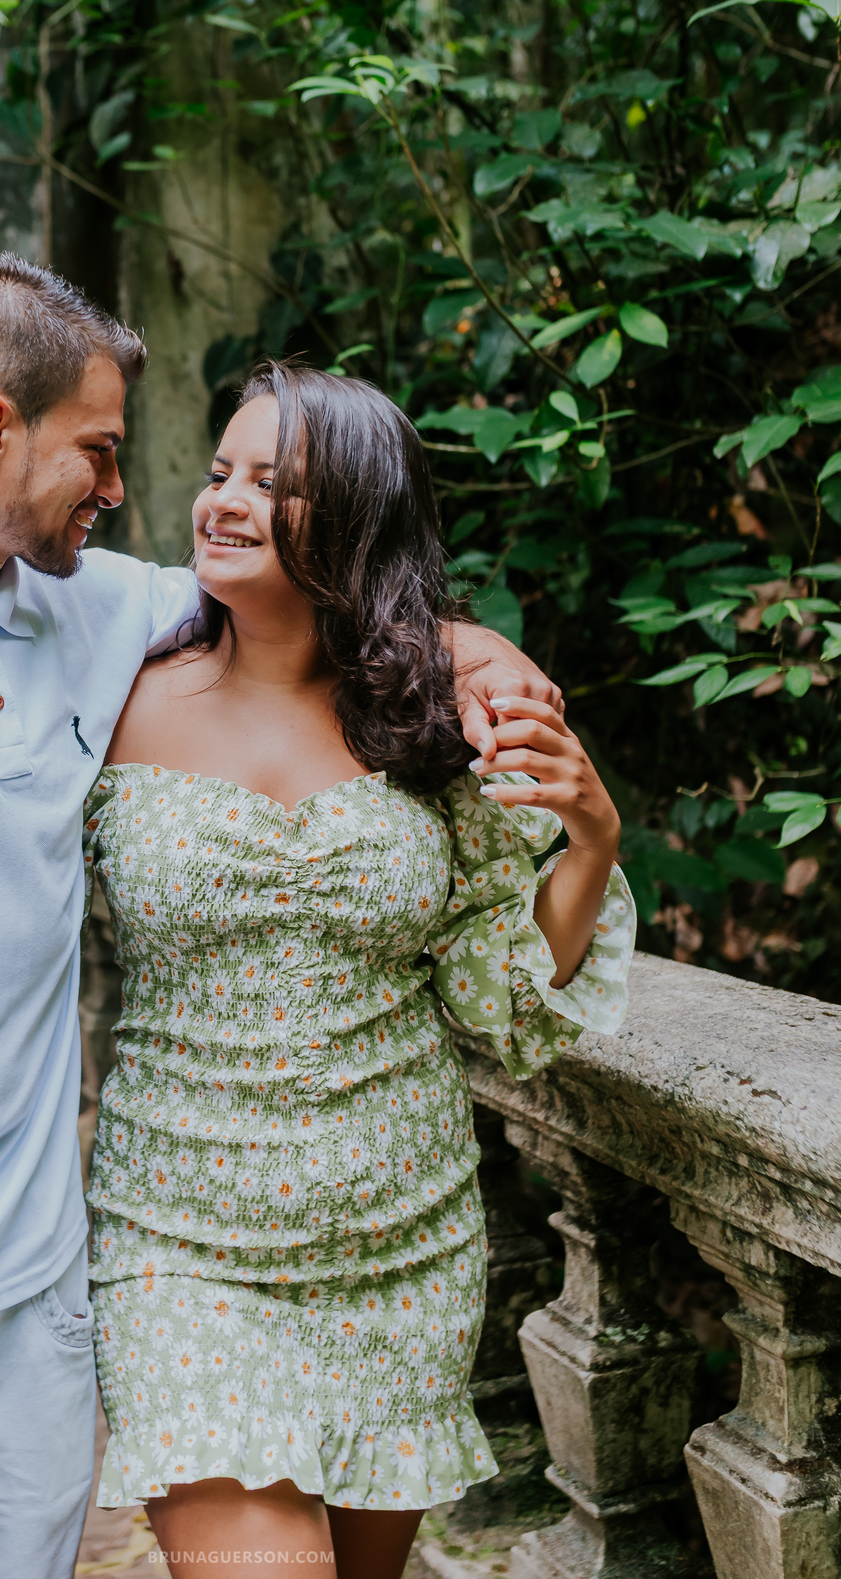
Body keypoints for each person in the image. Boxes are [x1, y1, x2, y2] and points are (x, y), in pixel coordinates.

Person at [0, 257, 560, 1579]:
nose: (127, 492)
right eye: (100, 449)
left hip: (30, 1311)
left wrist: (492, 668)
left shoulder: (96, 610)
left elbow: (342, 603)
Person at [82, 364, 635, 1578]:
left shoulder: (433, 719)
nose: (223, 500)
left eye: (273, 484)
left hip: (402, 1246)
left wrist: (589, 837)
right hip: (183, 1243)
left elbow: (500, 995)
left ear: (355, 519)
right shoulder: (111, 692)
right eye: (222, 472)